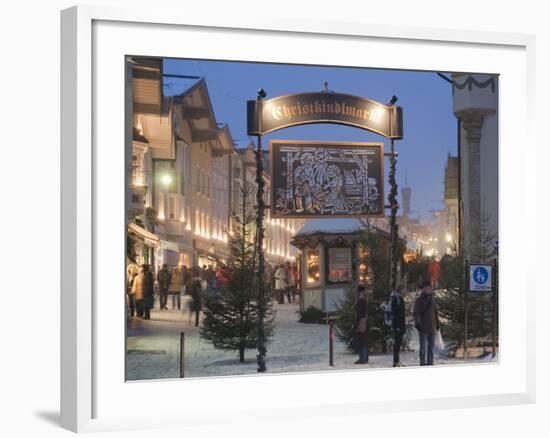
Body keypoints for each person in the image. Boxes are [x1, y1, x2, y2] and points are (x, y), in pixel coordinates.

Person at [413, 280, 441, 366]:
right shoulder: (419, 300)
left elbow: (435, 312)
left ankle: (430, 362)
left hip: (432, 326)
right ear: (423, 289)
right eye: (427, 288)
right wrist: (418, 323)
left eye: (429, 288)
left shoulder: (432, 299)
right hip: (423, 326)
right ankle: (422, 363)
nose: (428, 290)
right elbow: (416, 313)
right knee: (423, 348)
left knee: (431, 347)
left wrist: (438, 324)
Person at [390, 284, 407, 367]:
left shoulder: (398, 298)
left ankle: (396, 360)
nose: (405, 291)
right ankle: (395, 361)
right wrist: (397, 326)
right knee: (397, 344)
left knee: (398, 343)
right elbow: (396, 314)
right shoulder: (397, 299)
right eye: (404, 289)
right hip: (398, 325)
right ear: (401, 290)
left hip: (399, 325)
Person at [354, 284, 369, 364]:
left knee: (361, 341)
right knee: (365, 341)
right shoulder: (365, 298)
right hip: (365, 321)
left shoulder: (360, 299)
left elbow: (359, 313)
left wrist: (356, 324)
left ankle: (362, 358)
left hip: (361, 322)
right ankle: (365, 357)